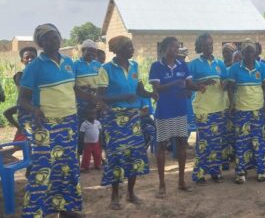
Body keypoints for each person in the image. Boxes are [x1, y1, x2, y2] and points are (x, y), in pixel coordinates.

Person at [18, 23, 83, 217]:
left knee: (68, 166)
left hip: (70, 122)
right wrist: (34, 109)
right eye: (46, 38)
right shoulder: (34, 67)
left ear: (60, 37)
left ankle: (66, 208)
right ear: (40, 43)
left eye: (54, 36)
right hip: (45, 125)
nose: (52, 41)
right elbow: (22, 99)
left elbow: (72, 88)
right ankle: (35, 212)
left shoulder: (69, 62)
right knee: (43, 169)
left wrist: (93, 98)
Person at [97, 35, 156, 210]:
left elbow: (139, 90)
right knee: (116, 156)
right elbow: (100, 97)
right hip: (114, 119)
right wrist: (122, 97)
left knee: (134, 155)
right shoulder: (106, 69)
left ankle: (131, 193)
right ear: (119, 49)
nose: (133, 49)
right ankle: (115, 196)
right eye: (129, 47)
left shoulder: (135, 66)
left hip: (132, 118)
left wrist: (150, 94)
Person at [149, 37, 195, 197]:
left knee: (182, 144)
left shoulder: (183, 65)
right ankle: (162, 186)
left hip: (180, 111)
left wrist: (199, 86)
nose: (177, 50)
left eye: (178, 47)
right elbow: (157, 88)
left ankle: (181, 181)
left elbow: (189, 85)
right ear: (166, 48)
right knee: (161, 147)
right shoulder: (156, 66)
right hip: (164, 112)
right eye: (175, 47)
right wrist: (176, 83)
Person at [227, 39, 265, 184]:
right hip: (241, 111)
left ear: (256, 53)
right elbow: (230, 87)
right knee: (241, 142)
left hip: (258, 111)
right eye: (245, 51)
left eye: (251, 51)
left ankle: (261, 171)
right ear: (242, 53)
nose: (248, 54)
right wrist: (232, 103)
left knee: (259, 141)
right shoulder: (235, 68)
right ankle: (241, 173)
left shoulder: (262, 67)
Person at [187, 33, 228, 184]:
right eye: (205, 45)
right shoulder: (193, 64)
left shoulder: (220, 63)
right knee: (203, 142)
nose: (209, 47)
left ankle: (215, 172)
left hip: (219, 106)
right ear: (199, 47)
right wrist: (201, 84)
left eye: (210, 44)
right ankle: (199, 174)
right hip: (203, 108)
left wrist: (224, 84)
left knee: (216, 142)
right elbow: (187, 85)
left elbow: (225, 81)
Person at [4, 46, 37, 142]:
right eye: (27, 57)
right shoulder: (19, 75)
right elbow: (26, 90)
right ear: (22, 60)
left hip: (39, 111)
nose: (30, 59)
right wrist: (19, 127)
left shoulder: (41, 73)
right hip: (26, 111)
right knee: (27, 142)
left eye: (33, 57)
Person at [73, 39, 102, 123]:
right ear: (83, 50)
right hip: (82, 101)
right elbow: (72, 84)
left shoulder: (98, 64)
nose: (92, 54)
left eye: (94, 52)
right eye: (90, 51)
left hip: (95, 99)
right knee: (83, 123)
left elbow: (102, 82)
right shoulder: (75, 65)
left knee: (95, 123)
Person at [222, 42, 238, 168]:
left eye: (228, 51)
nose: (226, 54)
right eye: (224, 52)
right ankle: (226, 155)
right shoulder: (221, 67)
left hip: (237, 104)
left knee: (235, 131)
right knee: (226, 131)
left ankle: (235, 154)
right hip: (224, 104)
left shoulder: (237, 69)